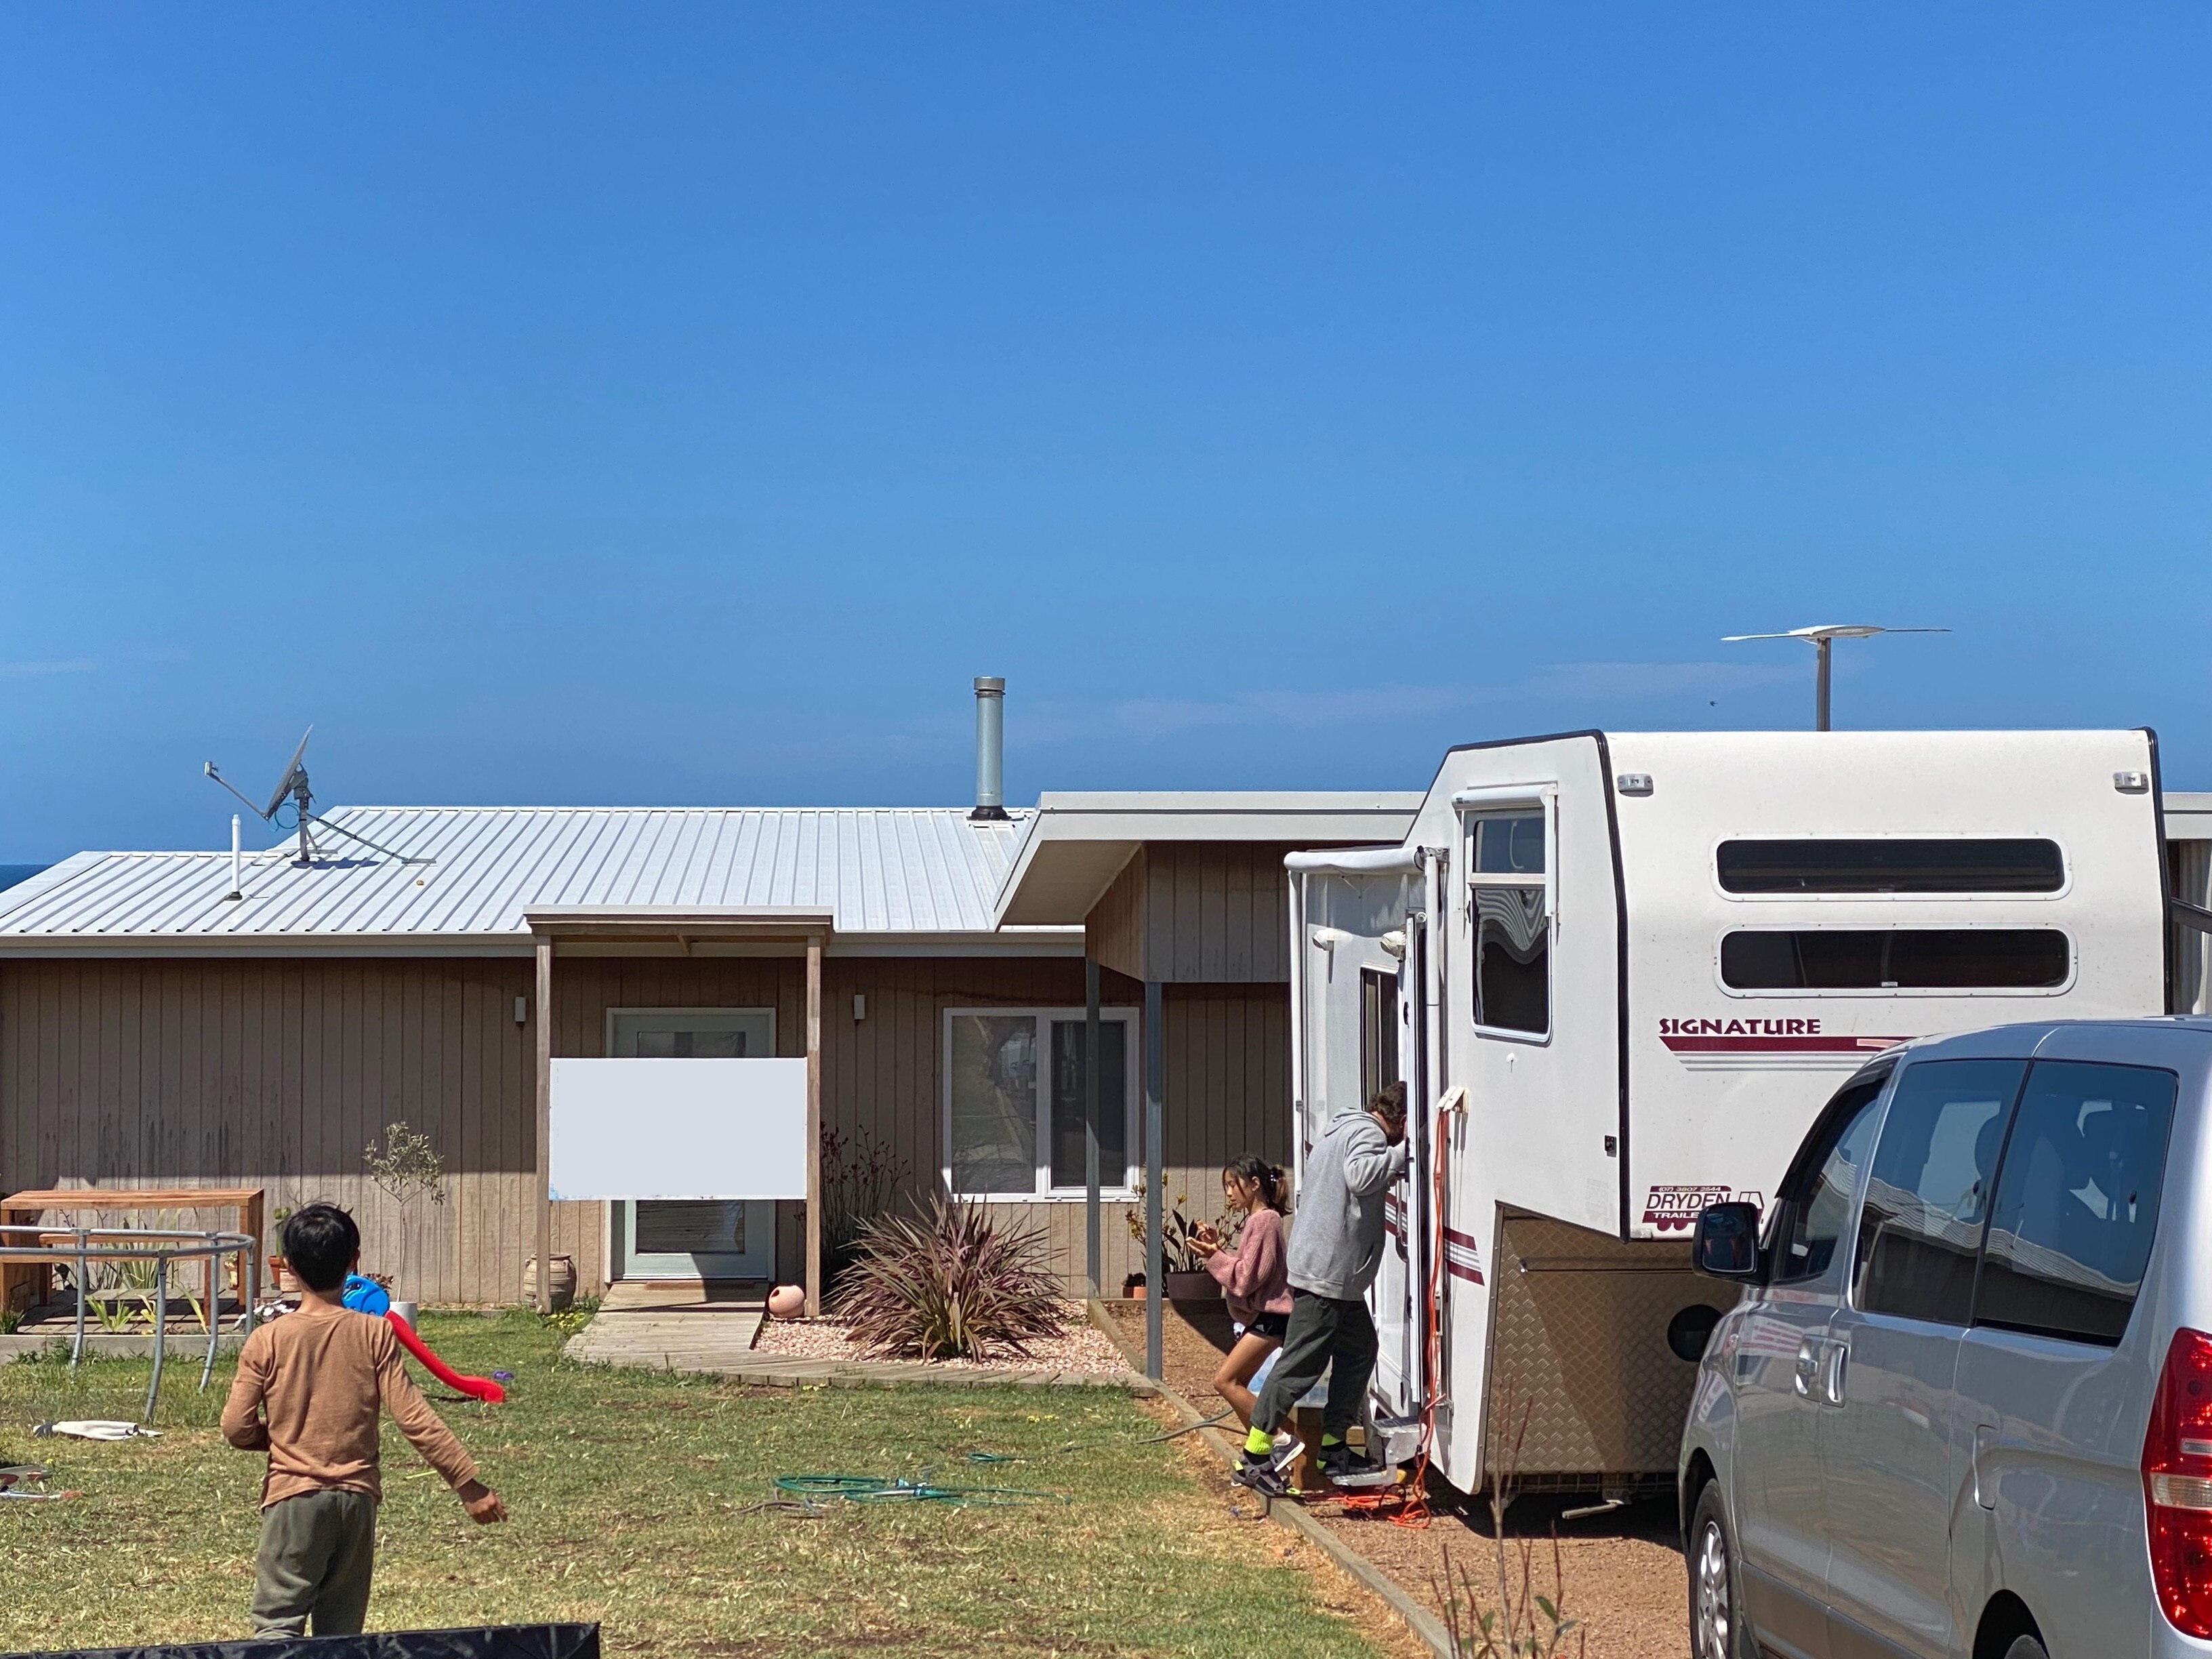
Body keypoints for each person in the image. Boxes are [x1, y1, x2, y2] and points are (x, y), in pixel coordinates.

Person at [222, 1204, 506, 1636]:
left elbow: (236, 1427)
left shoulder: (268, 1339)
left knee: (278, 1622)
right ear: (355, 1260)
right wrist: (468, 1483)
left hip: (293, 1497)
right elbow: (414, 1417)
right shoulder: (375, 1334)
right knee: (341, 1634)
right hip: (357, 1501)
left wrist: (280, 1438)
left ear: (288, 1267)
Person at [1233, 1080, 1409, 1496]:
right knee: (1299, 1365)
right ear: (1402, 1121)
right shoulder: (1369, 1133)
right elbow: (1361, 1176)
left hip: (1334, 1278)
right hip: (1327, 1277)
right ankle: (1255, 1457)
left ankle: (1334, 1447)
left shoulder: (1342, 1129)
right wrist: (1407, 1152)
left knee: (1360, 1349)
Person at [1187, 1154, 1292, 1427]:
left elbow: (1246, 1278)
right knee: (1239, 1387)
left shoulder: (1264, 1221)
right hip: (1265, 1319)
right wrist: (1216, 1249)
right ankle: (1260, 1455)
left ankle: (1281, 1439)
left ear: (1255, 1184)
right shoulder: (1261, 1220)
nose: (1229, 1193)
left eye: (1234, 1185)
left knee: (1225, 1381)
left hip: (1271, 1319)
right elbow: (1251, 1270)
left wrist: (1213, 1258)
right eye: (1226, 1187)